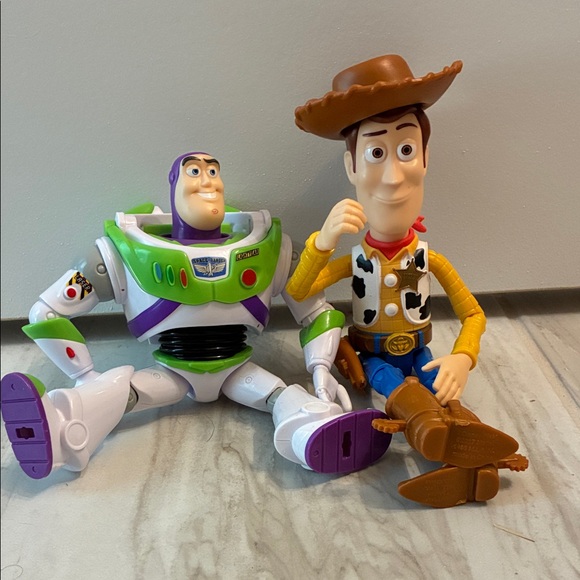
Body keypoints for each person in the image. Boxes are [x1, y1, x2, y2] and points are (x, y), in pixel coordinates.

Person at [0, 151, 392, 480]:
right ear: (174, 186)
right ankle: (65, 427)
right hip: (172, 371)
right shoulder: (123, 251)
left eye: (213, 171)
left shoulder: (271, 247)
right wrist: (85, 376)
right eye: (194, 171)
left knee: (284, 398)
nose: (208, 181)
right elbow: (46, 311)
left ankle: (313, 430)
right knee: (117, 391)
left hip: (238, 366)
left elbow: (316, 311)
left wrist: (320, 367)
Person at [287, 55, 528, 507]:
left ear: (425, 157)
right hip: (374, 356)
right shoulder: (356, 261)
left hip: (421, 351)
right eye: (376, 153)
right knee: (399, 390)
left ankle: (470, 457)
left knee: (440, 391)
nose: (394, 177)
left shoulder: (428, 259)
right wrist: (322, 241)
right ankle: (442, 443)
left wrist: (462, 358)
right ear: (352, 167)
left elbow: (473, 314)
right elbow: (299, 291)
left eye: (405, 150)